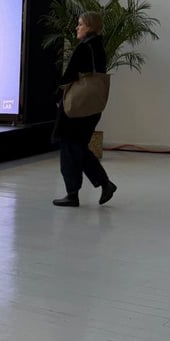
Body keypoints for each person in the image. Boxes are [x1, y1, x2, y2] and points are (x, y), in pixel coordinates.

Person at [52, 12, 117, 207]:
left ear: (89, 26)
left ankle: (73, 194)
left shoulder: (83, 47)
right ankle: (104, 183)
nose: (77, 28)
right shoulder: (98, 47)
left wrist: (57, 96)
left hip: (76, 107)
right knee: (78, 147)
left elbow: (70, 74)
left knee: (69, 147)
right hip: (92, 107)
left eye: (80, 24)